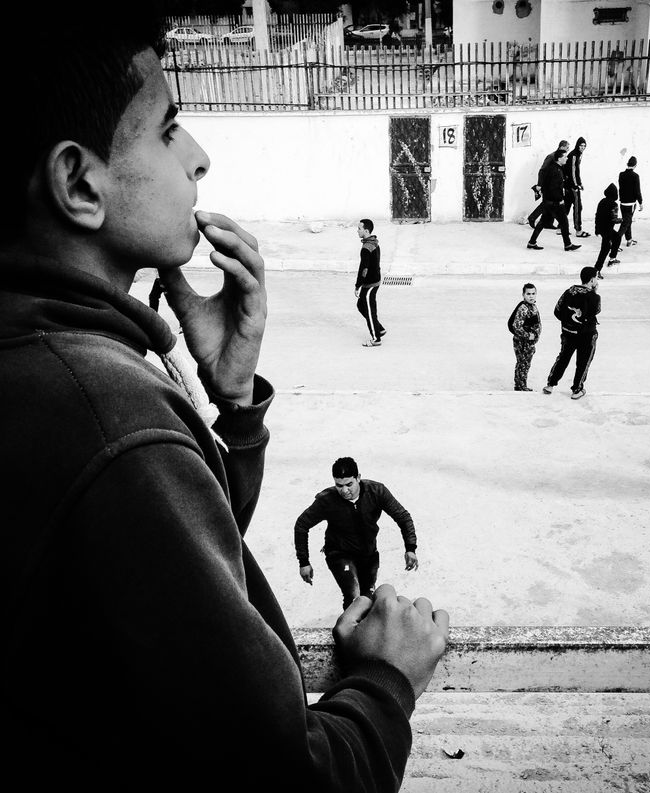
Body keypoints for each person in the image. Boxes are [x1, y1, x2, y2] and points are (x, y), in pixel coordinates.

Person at [0, 4, 449, 790]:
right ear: (79, 183)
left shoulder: (48, 354)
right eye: (170, 129)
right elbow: (292, 778)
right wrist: (385, 681)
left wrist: (233, 404)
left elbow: (154, 580)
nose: (199, 157)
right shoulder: (106, 413)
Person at [295, 458, 419, 609]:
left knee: (368, 600)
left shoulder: (376, 491)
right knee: (354, 597)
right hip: (340, 554)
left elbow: (403, 517)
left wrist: (410, 548)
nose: (345, 490)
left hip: (369, 554)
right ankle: (348, 631)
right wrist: (304, 562)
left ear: (358, 478)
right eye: (339, 485)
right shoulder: (327, 500)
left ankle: (361, 630)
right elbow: (301, 525)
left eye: (349, 484)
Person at [542, 266, 601, 400]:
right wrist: (594, 292)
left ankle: (550, 384)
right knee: (583, 362)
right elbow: (596, 311)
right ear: (592, 280)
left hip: (568, 332)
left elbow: (557, 311)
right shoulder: (594, 297)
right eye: (596, 278)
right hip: (586, 335)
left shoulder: (569, 292)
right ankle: (577, 389)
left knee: (563, 358)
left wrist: (568, 322)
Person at [527, 150, 581, 252]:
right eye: (565, 156)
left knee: (543, 222)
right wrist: (560, 200)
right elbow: (553, 188)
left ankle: (532, 242)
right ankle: (568, 245)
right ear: (559, 158)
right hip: (555, 202)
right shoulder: (556, 171)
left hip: (548, 202)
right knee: (564, 223)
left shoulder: (554, 168)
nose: (567, 158)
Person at [356, 217, 386, 347]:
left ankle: (376, 338)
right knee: (361, 305)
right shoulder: (374, 242)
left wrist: (358, 285)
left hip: (371, 283)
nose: (357, 231)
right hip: (374, 280)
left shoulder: (366, 248)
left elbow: (364, 268)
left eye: (359, 229)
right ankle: (379, 328)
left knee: (369, 310)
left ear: (366, 231)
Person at [527, 139, 569, 231]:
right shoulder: (551, 156)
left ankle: (548, 223)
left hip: (554, 184)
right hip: (548, 185)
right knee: (546, 204)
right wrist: (539, 185)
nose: (568, 150)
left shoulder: (560, 157)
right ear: (561, 147)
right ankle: (532, 218)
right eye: (567, 148)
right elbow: (542, 171)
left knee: (549, 204)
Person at [509, 282, 542, 391]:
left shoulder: (533, 307)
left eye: (533, 293)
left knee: (525, 363)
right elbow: (516, 326)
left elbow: (537, 323)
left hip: (529, 342)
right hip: (522, 341)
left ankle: (520, 385)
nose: (531, 296)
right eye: (528, 294)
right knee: (523, 363)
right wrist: (528, 336)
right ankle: (520, 386)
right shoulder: (523, 308)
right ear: (523, 295)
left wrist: (536, 335)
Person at [594, 183, 623, 278]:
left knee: (617, 238)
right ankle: (597, 270)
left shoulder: (602, 201)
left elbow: (597, 215)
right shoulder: (614, 204)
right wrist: (622, 220)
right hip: (608, 229)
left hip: (601, 228)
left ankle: (612, 258)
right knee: (605, 249)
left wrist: (597, 229)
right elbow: (614, 219)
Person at [563, 137, 590, 238]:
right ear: (577, 145)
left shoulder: (578, 154)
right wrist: (575, 185)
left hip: (570, 184)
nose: (583, 147)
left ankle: (560, 227)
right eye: (581, 146)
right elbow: (572, 172)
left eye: (584, 146)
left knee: (567, 206)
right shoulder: (574, 155)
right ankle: (578, 230)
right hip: (571, 185)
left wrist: (580, 183)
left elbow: (577, 171)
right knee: (578, 207)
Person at [618, 156, 643, 246]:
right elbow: (637, 191)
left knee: (627, 221)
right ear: (635, 165)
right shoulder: (635, 176)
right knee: (626, 223)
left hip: (622, 203)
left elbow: (620, 189)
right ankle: (615, 241)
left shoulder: (621, 174)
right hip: (631, 204)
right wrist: (640, 202)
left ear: (627, 164)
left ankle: (629, 240)